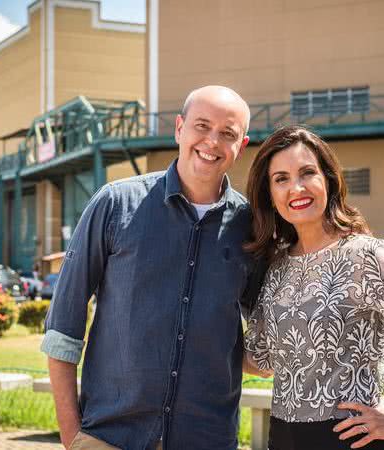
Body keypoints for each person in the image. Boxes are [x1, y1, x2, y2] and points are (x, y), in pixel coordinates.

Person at [42, 85, 263, 450]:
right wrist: (73, 438)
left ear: (241, 144)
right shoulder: (114, 205)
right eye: (202, 126)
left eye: (228, 133)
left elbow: (269, 335)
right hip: (110, 437)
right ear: (179, 129)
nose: (212, 141)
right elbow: (62, 332)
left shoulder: (250, 227)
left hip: (207, 439)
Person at [243, 125, 384, 450]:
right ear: (269, 193)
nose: (295, 188)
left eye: (307, 173)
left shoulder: (367, 256)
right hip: (282, 436)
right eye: (280, 178)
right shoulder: (276, 267)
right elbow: (260, 362)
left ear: (329, 180)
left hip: (350, 438)